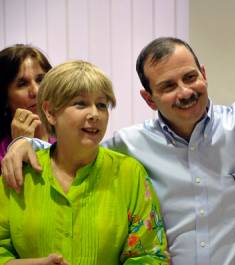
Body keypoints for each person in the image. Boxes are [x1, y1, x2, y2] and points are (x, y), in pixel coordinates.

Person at [1, 38, 235, 265]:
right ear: (148, 99)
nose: (185, 92)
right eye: (168, 86)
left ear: (203, 72)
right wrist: (23, 143)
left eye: (190, 77)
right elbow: (73, 149)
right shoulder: (128, 148)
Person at [0, 60, 169, 264]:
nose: (94, 114)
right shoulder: (19, 172)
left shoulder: (130, 174)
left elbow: (151, 255)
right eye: (80, 103)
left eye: (101, 105)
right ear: (50, 112)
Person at [0, 44, 55, 165]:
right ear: (4, 98)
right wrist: (20, 145)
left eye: (40, 79)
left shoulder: (66, 136)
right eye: (22, 84)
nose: (36, 91)